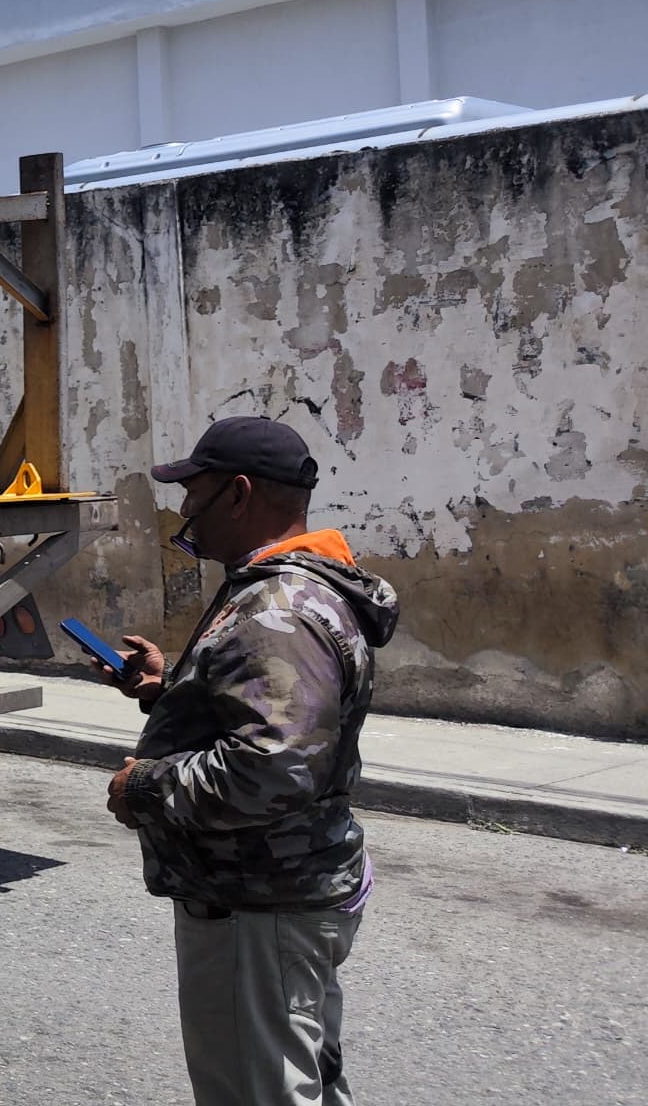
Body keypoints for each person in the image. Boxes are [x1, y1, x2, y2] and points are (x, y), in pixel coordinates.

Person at [106, 416, 399, 1106]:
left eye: (194, 491)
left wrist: (142, 787)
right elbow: (277, 719)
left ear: (237, 494)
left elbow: (272, 766)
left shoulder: (277, 610)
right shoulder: (289, 590)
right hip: (278, 897)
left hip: (257, 907)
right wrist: (166, 692)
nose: (183, 510)